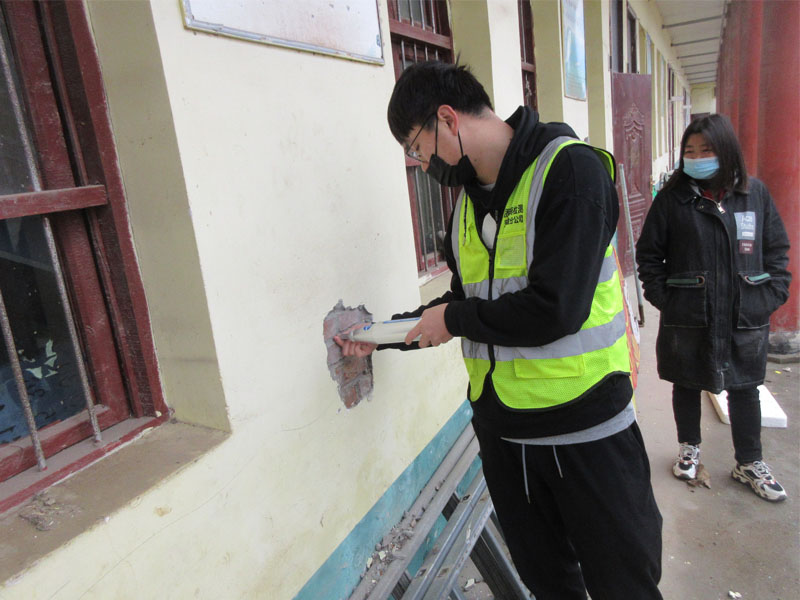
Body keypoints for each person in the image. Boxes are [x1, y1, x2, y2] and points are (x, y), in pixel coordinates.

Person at [336, 61, 663, 600]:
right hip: (505, 437)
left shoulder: (570, 172)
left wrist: (456, 319)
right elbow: (465, 302)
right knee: (548, 583)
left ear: (448, 118)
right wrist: (379, 335)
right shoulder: (466, 205)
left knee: (622, 582)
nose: (422, 166)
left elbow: (556, 309)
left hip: (585, 431)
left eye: (419, 149)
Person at [636, 114, 791, 502]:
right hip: (689, 312)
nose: (697, 157)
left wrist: (767, 298)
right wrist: (667, 300)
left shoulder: (754, 195)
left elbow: (777, 252)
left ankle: (749, 462)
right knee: (686, 381)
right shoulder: (673, 199)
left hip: (744, 314)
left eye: (706, 149)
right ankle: (689, 447)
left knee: (745, 386)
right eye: (690, 151)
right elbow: (649, 258)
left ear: (726, 151)